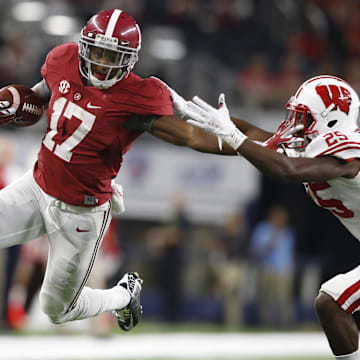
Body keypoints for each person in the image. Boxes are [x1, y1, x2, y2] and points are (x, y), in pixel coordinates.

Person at [0, 9, 238, 330]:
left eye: (112, 56)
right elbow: (41, 95)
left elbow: (189, 136)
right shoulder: (63, 59)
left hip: (80, 211)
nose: (100, 63)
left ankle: (124, 296)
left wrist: (238, 141)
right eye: (96, 52)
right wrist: (15, 104)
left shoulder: (136, 96)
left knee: (57, 308)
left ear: (129, 60)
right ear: (84, 47)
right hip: (37, 186)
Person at [172, 74, 360, 359]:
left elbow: (288, 170)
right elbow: (257, 137)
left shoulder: (347, 148)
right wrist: (184, 115)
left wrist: (233, 137)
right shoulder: (313, 147)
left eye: (304, 118)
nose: (295, 125)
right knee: (331, 301)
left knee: (331, 301)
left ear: (332, 120)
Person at [250, 204, 296, 328]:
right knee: (266, 297)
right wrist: (271, 240)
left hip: (283, 270)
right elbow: (255, 249)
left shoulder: (288, 232)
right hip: (267, 267)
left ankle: (286, 324)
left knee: (284, 298)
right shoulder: (263, 229)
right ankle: (265, 323)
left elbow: (289, 252)